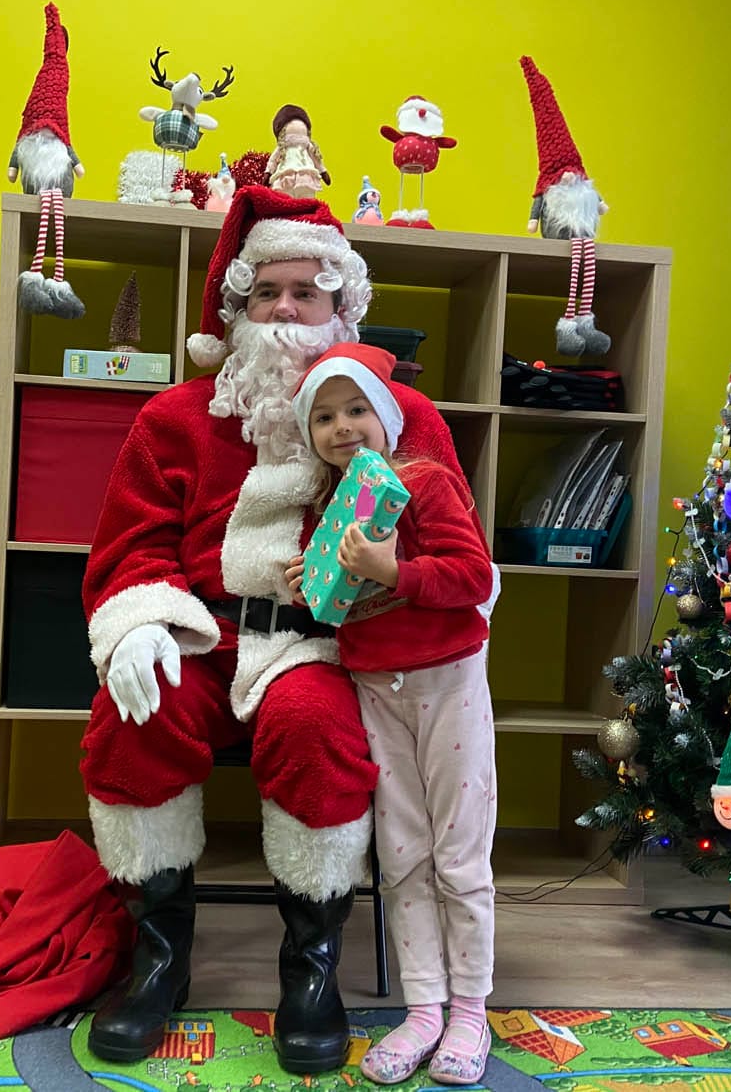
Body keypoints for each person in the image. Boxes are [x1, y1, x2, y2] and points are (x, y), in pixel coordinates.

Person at [79, 186, 481, 1074]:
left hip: (327, 646)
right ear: (238, 308)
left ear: (343, 306)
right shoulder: (171, 419)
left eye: (307, 291)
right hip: (201, 634)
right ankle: (159, 958)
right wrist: (139, 622)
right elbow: (130, 544)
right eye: (267, 292)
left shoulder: (405, 421)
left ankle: (312, 969)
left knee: (314, 728)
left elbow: (456, 553)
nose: (287, 309)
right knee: (131, 718)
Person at [285, 344, 498, 1086]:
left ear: (385, 415)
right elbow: (339, 607)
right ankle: (424, 1008)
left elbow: (473, 576)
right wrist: (313, 582)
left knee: (458, 853)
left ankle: (470, 1009)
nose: (342, 427)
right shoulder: (329, 509)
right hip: (377, 687)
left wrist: (393, 570)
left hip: (449, 681)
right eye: (323, 417)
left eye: (356, 410)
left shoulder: (424, 481)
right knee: (402, 853)